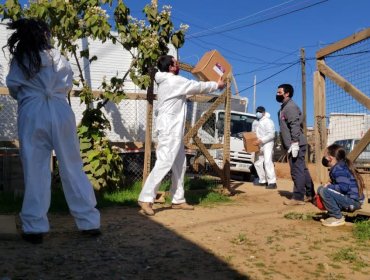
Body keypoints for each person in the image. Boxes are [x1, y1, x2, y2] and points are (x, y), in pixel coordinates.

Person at [5, 19, 101, 244]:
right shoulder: (59, 57)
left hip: (32, 111)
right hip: (60, 110)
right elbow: (67, 84)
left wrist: (31, 96)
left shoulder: (21, 59)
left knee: (35, 169)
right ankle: (89, 223)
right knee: (73, 166)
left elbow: (14, 87)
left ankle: (34, 227)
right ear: (44, 35)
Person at [138, 55, 225, 216]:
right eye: (176, 64)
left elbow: (190, 91)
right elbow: (197, 86)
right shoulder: (173, 81)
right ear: (171, 67)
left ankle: (178, 199)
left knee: (180, 163)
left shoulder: (169, 81)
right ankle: (146, 198)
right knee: (164, 162)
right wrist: (217, 84)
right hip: (169, 130)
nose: (178, 66)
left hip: (173, 130)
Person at [276, 84, 315, 205]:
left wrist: (294, 142)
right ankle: (310, 194)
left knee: (297, 171)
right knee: (302, 169)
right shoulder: (284, 108)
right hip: (294, 143)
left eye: (279, 92)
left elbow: (294, 125)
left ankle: (298, 197)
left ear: (286, 93)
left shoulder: (290, 107)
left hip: (296, 143)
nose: (277, 94)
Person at [318, 144, 365, 227]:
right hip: (351, 200)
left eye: (325, 156)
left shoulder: (339, 169)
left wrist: (329, 187)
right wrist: (332, 185)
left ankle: (337, 217)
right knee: (321, 189)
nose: (324, 158)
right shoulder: (340, 166)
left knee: (323, 191)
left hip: (353, 202)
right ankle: (333, 213)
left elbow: (344, 188)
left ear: (330, 158)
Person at [252, 106, 277, 189]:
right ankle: (262, 180)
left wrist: (261, 140)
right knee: (257, 162)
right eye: (257, 111)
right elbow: (253, 134)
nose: (257, 113)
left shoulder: (268, 121)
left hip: (267, 144)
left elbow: (271, 134)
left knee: (267, 161)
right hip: (259, 144)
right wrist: (250, 145)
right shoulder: (256, 122)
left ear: (263, 113)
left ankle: (272, 182)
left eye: (259, 112)